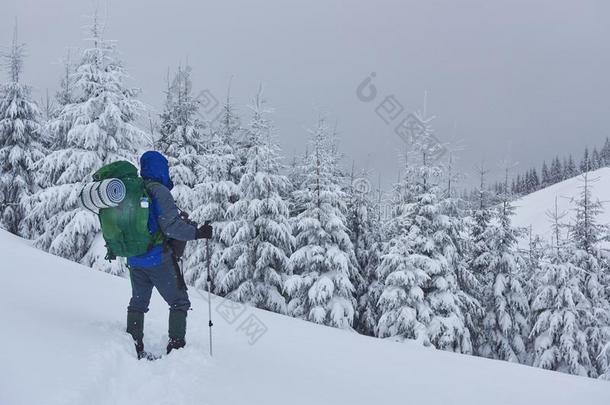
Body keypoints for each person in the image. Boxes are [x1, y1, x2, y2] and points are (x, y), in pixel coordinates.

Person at [125, 151, 212, 359]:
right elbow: (172, 228)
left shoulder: (134, 191)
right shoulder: (159, 191)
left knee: (138, 302)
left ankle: (133, 344)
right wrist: (198, 232)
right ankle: (176, 349)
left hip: (135, 258)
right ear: (161, 169)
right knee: (179, 301)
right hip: (158, 260)